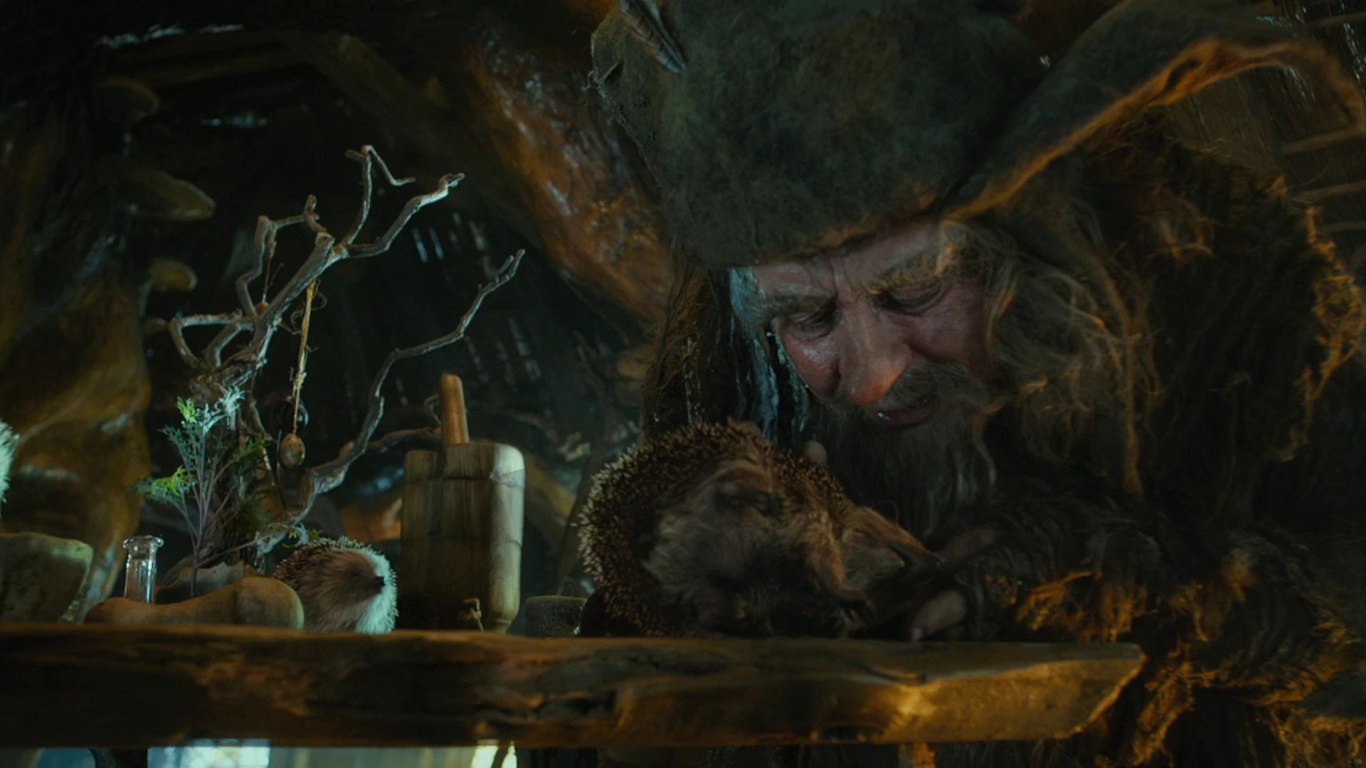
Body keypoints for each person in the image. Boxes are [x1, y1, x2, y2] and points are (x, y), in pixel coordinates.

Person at [588, 0, 1366, 765]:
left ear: (1026, 238)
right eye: (808, 316)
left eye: (915, 291)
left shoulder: (1240, 292)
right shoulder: (733, 377)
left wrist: (1113, 575)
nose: (871, 379)